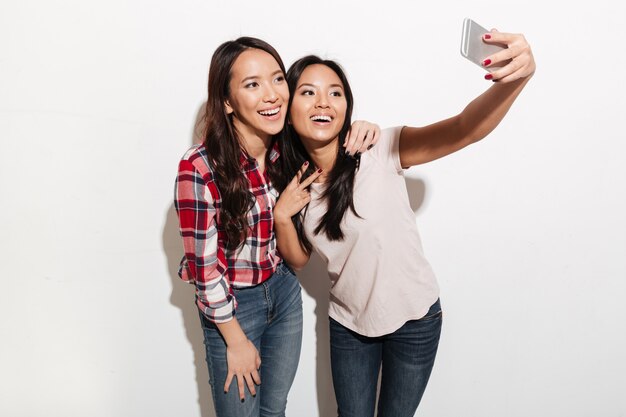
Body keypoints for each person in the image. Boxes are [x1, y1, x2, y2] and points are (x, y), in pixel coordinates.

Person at [273, 29, 535, 417]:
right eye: (308, 92)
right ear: (289, 111)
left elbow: (465, 128)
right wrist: (282, 215)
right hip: (348, 326)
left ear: (346, 107)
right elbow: (298, 261)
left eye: (335, 92)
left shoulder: (379, 148)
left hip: (414, 322)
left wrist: (517, 79)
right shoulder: (295, 182)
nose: (323, 101)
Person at [174, 36, 379, 417]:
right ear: (227, 102)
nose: (272, 95)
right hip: (233, 307)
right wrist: (235, 340)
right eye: (252, 85)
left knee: (274, 409)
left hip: (283, 293)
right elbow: (204, 270)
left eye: (277, 79)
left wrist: (362, 128)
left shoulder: (287, 148)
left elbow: (329, 129)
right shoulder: (200, 168)